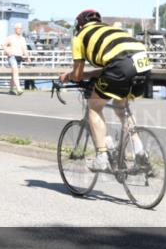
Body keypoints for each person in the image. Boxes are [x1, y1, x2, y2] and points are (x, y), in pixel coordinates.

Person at [59, 9, 152, 171]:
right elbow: (108, 69)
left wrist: (67, 76)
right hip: (143, 63)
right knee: (121, 108)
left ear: (79, 25)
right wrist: (87, 74)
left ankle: (102, 157)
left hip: (120, 65)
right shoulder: (111, 31)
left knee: (93, 107)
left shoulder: (79, 37)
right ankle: (140, 153)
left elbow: (78, 74)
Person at [2, 23, 31, 95]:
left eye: (21, 28)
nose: (20, 30)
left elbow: (25, 49)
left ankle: (11, 89)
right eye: (18, 28)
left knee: (13, 74)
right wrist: (7, 51)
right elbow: (3, 44)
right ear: (15, 29)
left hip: (19, 57)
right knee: (15, 71)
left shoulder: (23, 39)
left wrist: (28, 57)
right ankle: (19, 88)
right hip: (12, 56)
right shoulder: (10, 37)